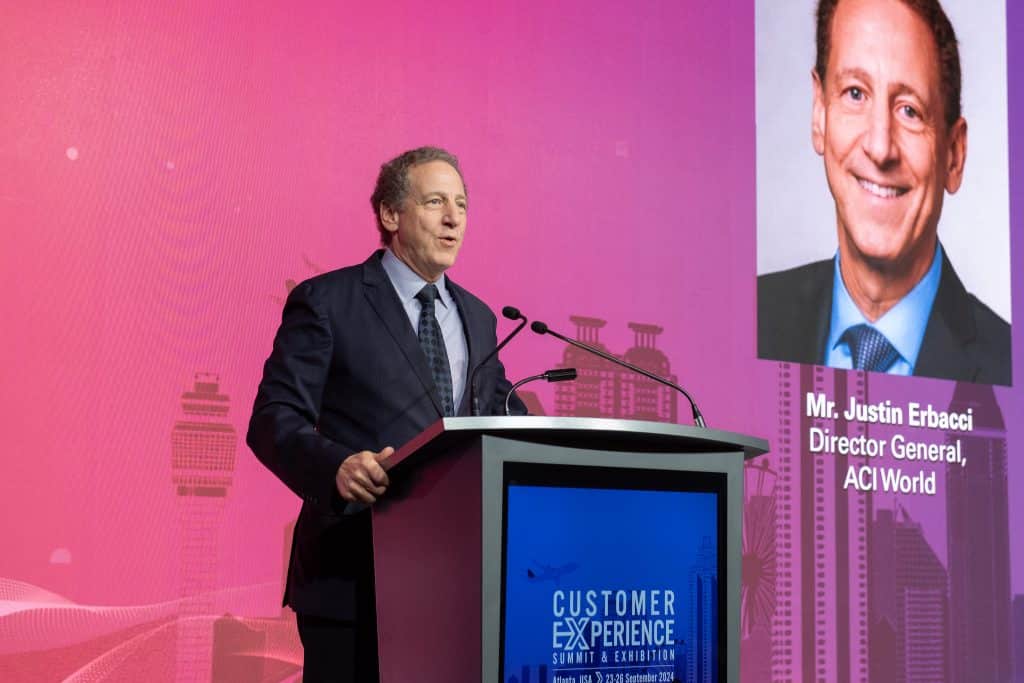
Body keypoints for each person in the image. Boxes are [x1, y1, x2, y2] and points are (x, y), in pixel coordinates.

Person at [247, 146, 525, 681]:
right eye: (435, 202)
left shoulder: (481, 317)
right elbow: (273, 417)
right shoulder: (328, 301)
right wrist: (335, 467)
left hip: (453, 580)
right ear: (391, 215)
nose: (452, 219)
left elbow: (495, 414)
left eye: (462, 205)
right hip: (352, 575)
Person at [757, 0, 1010, 385]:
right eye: (855, 93)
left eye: (910, 110)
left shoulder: (1011, 368)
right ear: (819, 114)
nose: (880, 147)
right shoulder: (750, 317)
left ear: (954, 155)